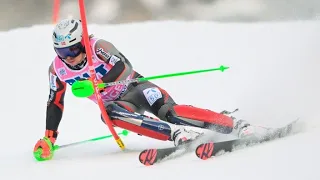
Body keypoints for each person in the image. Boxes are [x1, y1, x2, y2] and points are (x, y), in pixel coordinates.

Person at [33, 19, 254, 161]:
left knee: (171, 113)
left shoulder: (97, 47)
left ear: (82, 42)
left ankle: (235, 124)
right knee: (108, 114)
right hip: (121, 104)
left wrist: (98, 84)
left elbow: (123, 66)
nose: (69, 57)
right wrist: (48, 139)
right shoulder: (57, 70)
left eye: (73, 48)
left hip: (137, 87)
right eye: (62, 52)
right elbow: (55, 102)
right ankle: (177, 135)